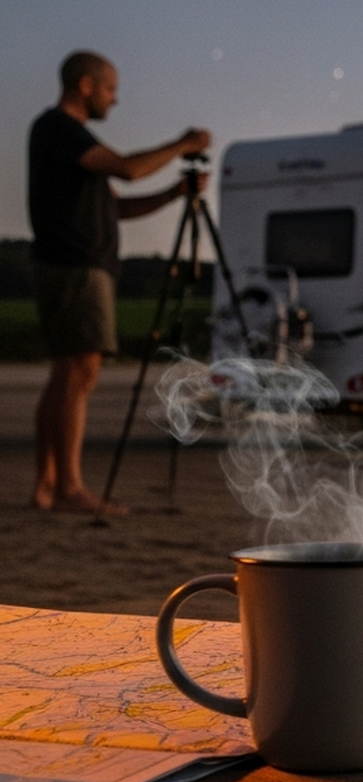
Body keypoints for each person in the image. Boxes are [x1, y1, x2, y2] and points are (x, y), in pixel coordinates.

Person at [28, 50, 209, 514]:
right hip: (75, 266)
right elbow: (127, 170)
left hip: (74, 265)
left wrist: (174, 193)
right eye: (111, 88)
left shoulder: (74, 144)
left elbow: (118, 208)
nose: (116, 99)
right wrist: (182, 144)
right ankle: (69, 487)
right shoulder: (59, 129)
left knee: (67, 373)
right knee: (80, 371)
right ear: (85, 85)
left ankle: (48, 484)